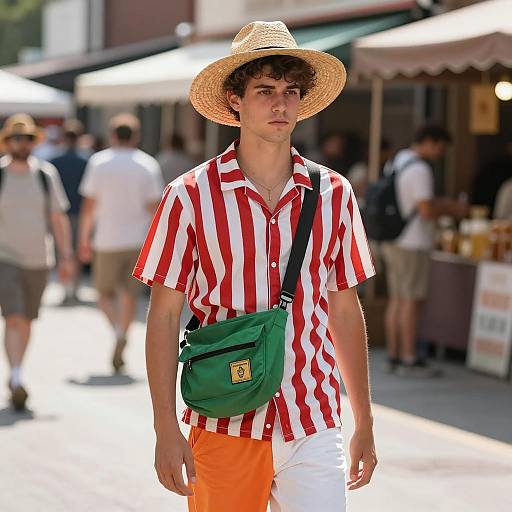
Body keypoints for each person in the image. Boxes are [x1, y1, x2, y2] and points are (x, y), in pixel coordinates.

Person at [133, 21, 377, 512]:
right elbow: (163, 317)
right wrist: (164, 429)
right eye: (264, 91)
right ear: (234, 101)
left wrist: (364, 422)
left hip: (312, 418)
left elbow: (344, 309)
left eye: (290, 91)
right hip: (223, 419)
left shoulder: (333, 194)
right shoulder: (189, 197)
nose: (280, 104)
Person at [78, 113, 163, 373]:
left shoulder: (99, 162)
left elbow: (89, 206)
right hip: (138, 241)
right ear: (136, 136)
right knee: (129, 294)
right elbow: (154, 208)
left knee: (103, 293)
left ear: (113, 135)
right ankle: (122, 333)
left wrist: (83, 239)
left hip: (106, 239)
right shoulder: (148, 165)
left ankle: (117, 331)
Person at [0, 114, 74, 410]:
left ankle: (18, 370)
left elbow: (58, 218)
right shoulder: (0, 174)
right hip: (5, 258)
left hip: (38, 260)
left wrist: (66, 256)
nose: (22, 143)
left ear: (33, 143)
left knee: (27, 320)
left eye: (27, 139)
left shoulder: (45, 174)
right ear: (8, 143)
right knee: (14, 317)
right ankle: (16, 378)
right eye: (17, 138)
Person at [382, 124, 468, 377]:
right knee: (410, 301)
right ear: (430, 142)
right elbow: (426, 209)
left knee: (397, 300)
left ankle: (394, 355)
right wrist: (453, 208)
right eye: (440, 147)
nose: (441, 153)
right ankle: (409, 358)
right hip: (412, 242)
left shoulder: (397, 161)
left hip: (393, 240)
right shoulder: (419, 168)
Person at [51, 119, 88, 305]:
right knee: (78, 250)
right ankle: (75, 288)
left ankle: (66, 288)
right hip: (80, 212)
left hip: (60, 212)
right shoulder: (87, 161)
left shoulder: (54, 161)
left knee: (63, 251)